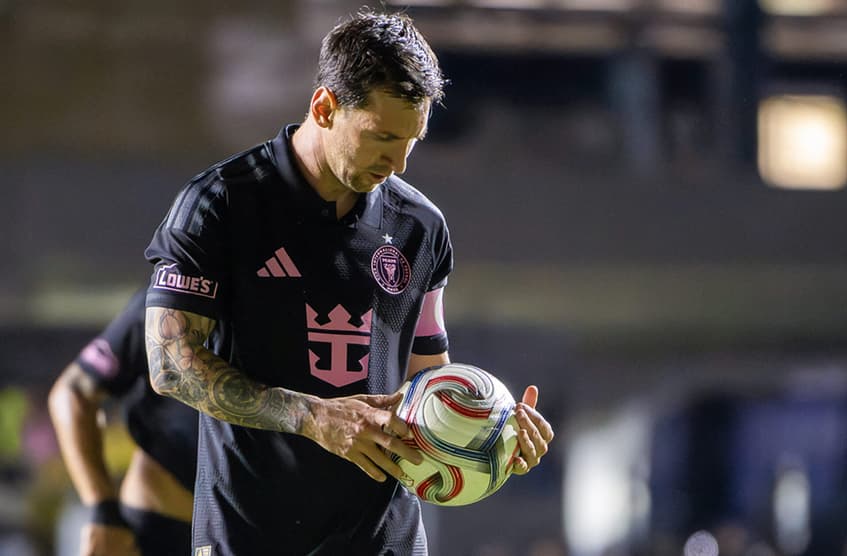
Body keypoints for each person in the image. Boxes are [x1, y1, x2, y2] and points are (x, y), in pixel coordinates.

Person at [143, 8, 555, 555]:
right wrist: (313, 416)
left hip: (382, 540)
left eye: (413, 139)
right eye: (383, 136)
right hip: (251, 536)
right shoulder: (220, 204)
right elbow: (170, 365)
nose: (399, 162)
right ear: (325, 107)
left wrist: (491, 435)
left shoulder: (419, 229)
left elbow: (428, 381)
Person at [48, 289, 198, 556]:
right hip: (161, 527)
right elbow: (72, 392)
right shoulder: (171, 295)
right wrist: (102, 511)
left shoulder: (285, 305)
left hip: (264, 530)